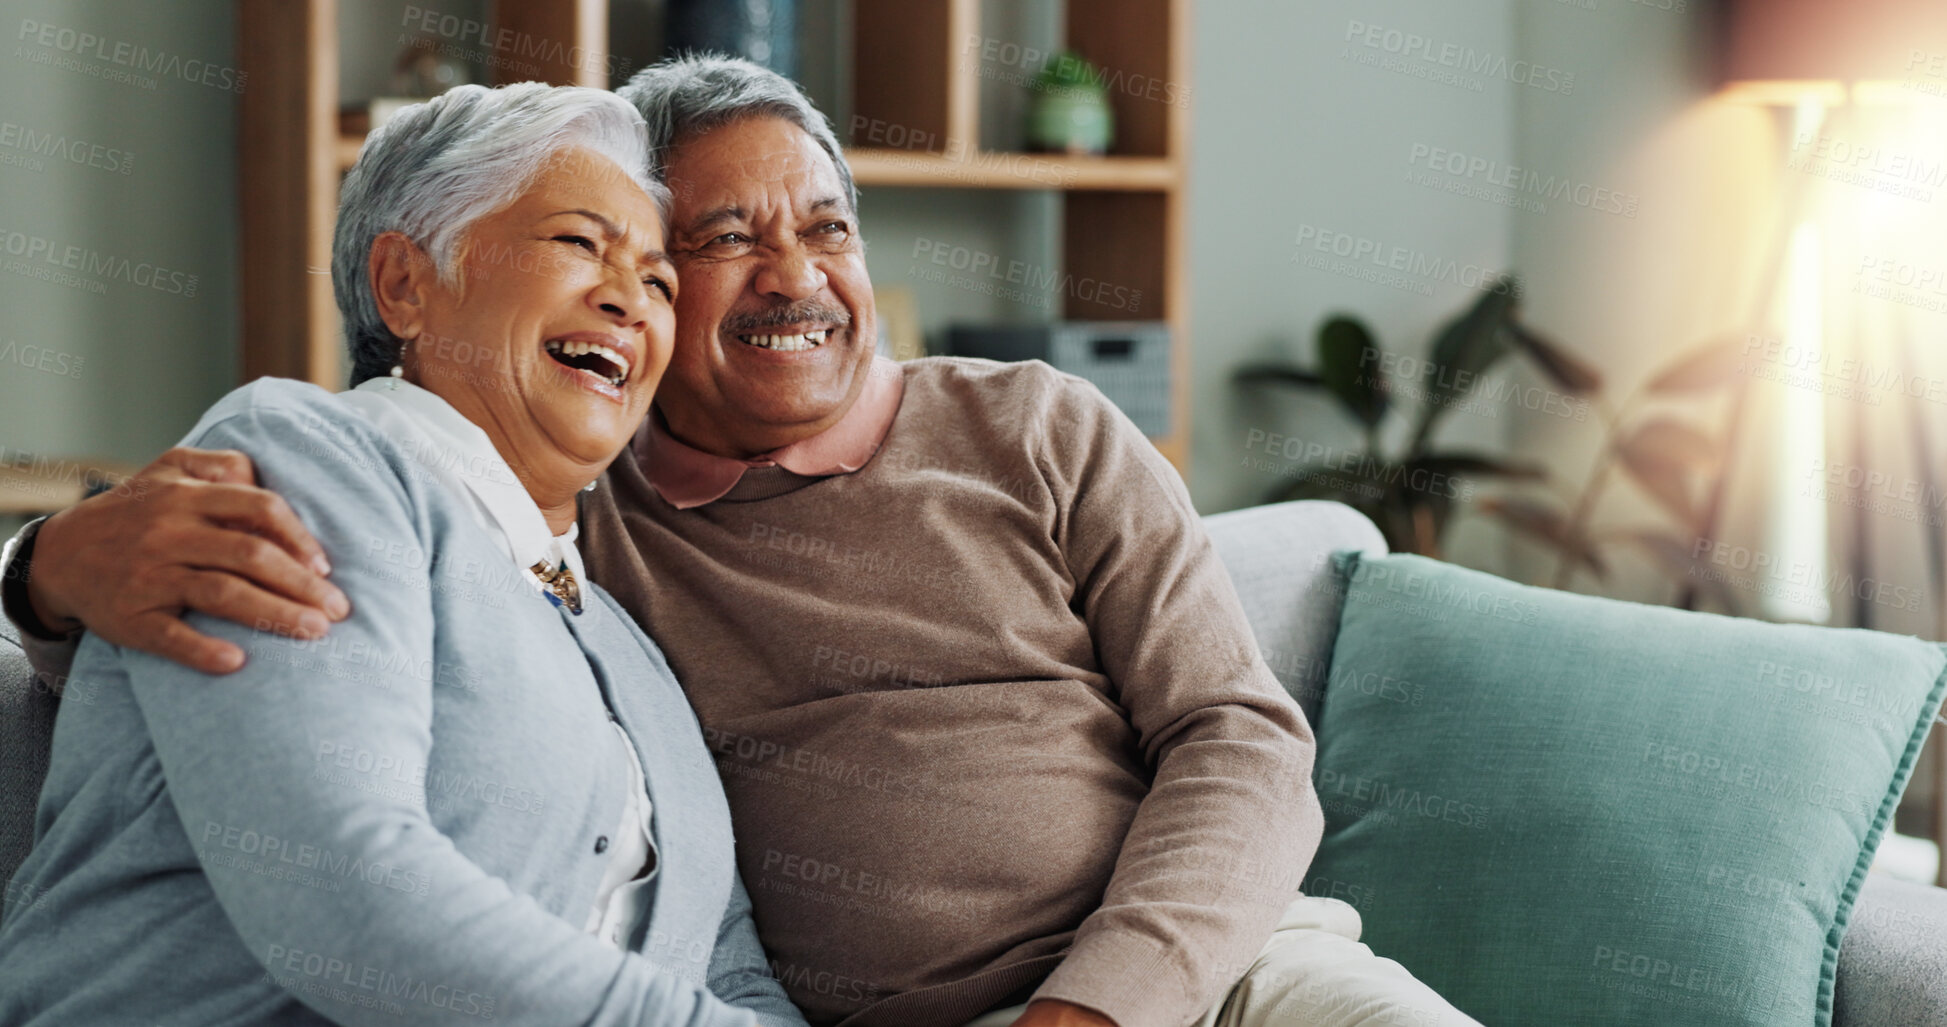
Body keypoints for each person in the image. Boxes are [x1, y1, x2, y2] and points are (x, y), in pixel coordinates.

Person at [3, 57, 1478, 1027]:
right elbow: (315, 805)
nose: (791, 278)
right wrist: (46, 568)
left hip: (1216, 969)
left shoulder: (1024, 428)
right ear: (407, 278)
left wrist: (1096, 1007)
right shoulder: (512, 511)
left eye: (827, 227)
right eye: (686, 248)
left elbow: (1239, 736)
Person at [0, 81, 805, 1027]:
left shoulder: (629, 650)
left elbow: (728, 968)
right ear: (405, 285)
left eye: (661, 280)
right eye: (580, 243)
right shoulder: (308, 459)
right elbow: (346, 896)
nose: (631, 297)